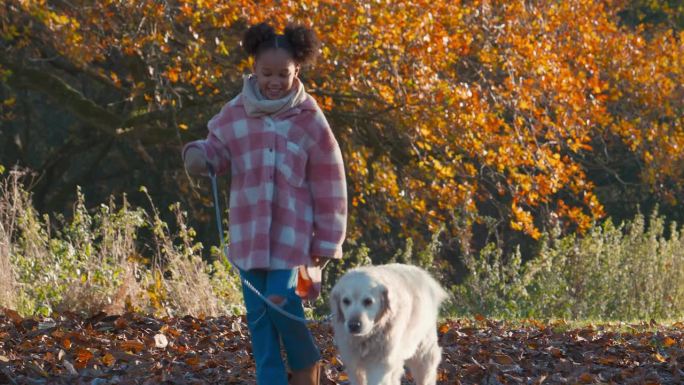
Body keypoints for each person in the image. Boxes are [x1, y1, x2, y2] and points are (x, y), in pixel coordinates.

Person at [182, 22, 347, 385]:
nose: (274, 81)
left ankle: (306, 364)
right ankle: (270, 379)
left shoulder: (309, 118)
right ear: (253, 69)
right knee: (258, 316)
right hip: (248, 234)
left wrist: (326, 241)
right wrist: (200, 155)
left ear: (297, 70)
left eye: (282, 74)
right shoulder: (236, 112)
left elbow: (329, 180)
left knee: (280, 300)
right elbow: (217, 150)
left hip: (293, 236)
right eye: (267, 72)